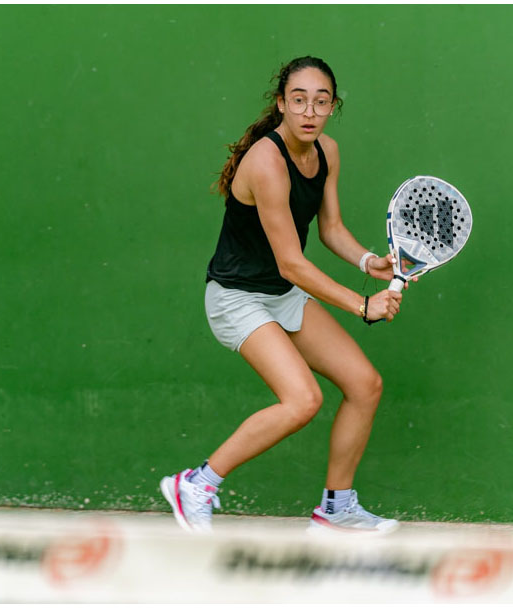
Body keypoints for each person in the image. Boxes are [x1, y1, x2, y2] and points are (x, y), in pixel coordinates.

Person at [160, 56, 406, 534]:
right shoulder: (266, 163)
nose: (309, 112)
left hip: (280, 294)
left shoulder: (327, 152)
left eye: (320, 101)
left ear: (332, 106)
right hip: (236, 298)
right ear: (281, 104)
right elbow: (292, 262)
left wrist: (368, 262)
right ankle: (196, 484)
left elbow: (330, 228)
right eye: (299, 100)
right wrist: (362, 306)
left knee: (364, 385)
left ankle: (336, 508)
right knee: (302, 399)